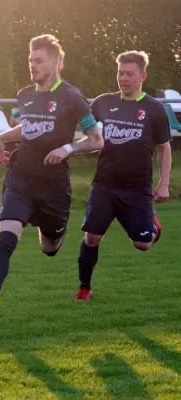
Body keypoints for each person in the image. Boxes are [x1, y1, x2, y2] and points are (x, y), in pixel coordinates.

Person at [0, 34, 104, 325]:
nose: (32, 66)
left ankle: (52, 232)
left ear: (58, 63)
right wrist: (0, 137)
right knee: (5, 240)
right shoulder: (25, 95)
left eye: (39, 60)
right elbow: (28, 127)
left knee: (50, 248)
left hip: (54, 188)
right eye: (30, 61)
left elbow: (97, 140)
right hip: (20, 179)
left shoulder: (72, 97)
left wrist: (68, 147)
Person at [74, 51, 172, 300]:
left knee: (143, 244)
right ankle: (84, 287)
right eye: (120, 73)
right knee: (92, 237)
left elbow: (164, 147)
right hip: (105, 183)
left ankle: (152, 221)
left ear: (143, 76)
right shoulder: (102, 102)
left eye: (130, 74)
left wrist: (163, 185)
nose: (123, 78)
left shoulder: (154, 108)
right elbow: (84, 128)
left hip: (137, 187)